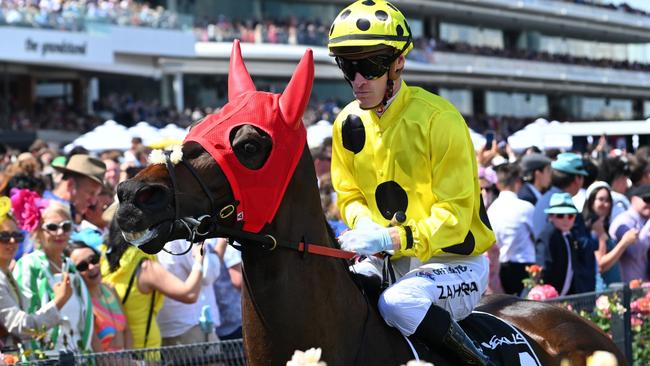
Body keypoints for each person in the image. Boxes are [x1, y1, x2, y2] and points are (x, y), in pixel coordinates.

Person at [328, 2, 495, 364]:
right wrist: (364, 225)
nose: (358, 81)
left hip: (455, 263)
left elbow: (455, 214)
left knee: (398, 302)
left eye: (369, 67)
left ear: (397, 63)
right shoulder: (346, 124)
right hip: (391, 262)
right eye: (348, 67)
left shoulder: (439, 120)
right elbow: (349, 195)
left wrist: (392, 238)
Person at [101, 220, 205, 349]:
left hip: (118, 347)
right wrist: (199, 260)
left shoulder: (103, 259)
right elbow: (189, 294)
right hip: (145, 348)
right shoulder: (145, 266)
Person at [13, 201, 94, 351]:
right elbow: (23, 321)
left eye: (66, 226)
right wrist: (58, 301)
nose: (60, 232)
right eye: (52, 227)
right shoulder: (28, 265)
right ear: (38, 231)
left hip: (76, 356)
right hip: (44, 358)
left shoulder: (70, 266)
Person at [0, 198, 72, 350]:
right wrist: (58, 301)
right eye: (4, 237)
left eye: (17, 236)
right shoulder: (20, 268)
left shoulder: (5, 274)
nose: (12, 241)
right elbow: (23, 327)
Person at [67, 241, 131, 351]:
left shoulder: (110, 289)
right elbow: (96, 352)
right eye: (82, 266)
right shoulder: (81, 303)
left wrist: (130, 358)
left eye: (94, 259)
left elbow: (127, 330)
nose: (91, 267)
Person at [156, 239, 221, 345]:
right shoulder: (184, 234)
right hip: (192, 327)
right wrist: (222, 243)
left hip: (164, 328)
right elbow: (208, 274)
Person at [487, 164, 535, 296]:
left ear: (498, 184)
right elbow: (537, 235)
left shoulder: (491, 210)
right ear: (518, 182)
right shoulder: (526, 207)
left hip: (502, 266)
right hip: (525, 265)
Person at [582, 181, 638, 289]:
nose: (605, 204)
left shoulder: (604, 226)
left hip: (613, 290)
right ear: (591, 201)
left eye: (608, 200)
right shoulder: (592, 229)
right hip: (602, 291)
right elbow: (601, 265)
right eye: (601, 199)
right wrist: (624, 243)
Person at [536, 193, 584, 296]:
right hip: (547, 298)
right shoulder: (548, 235)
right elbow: (543, 269)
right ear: (551, 216)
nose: (566, 220)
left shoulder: (570, 235)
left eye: (570, 216)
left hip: (563, 297)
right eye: (560, 216)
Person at [43, 154, 106, 224]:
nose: (93, 202)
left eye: (96, 194)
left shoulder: (70, 212)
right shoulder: (42, 213)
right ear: (70, 184)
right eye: (91, 193)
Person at [608, 184, 650, 282]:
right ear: (633, 199)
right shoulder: (624, 221)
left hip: (643, 287)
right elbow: (634, 252)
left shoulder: (644, 221)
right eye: (647, 199)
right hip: (626, 289)